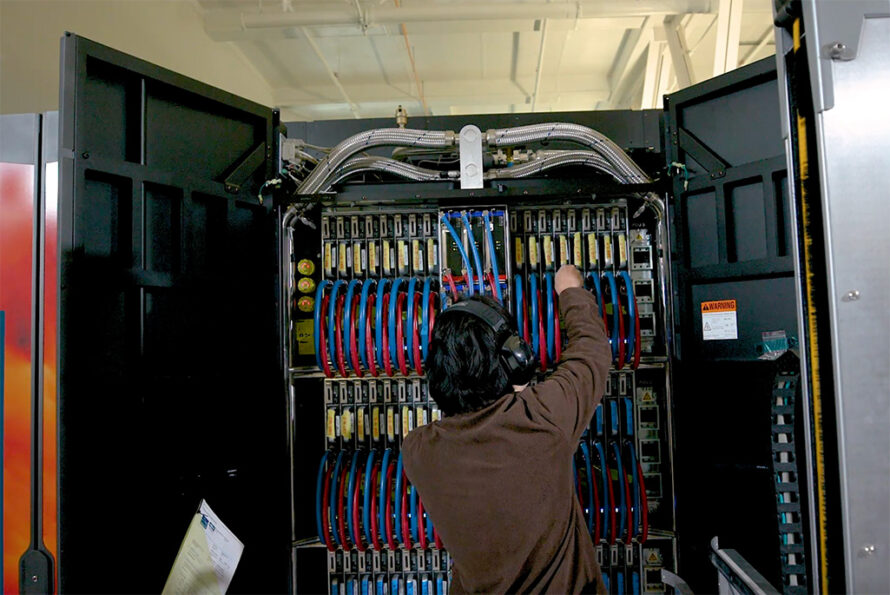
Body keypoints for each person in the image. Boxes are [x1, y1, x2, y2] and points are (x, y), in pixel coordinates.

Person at [402, 264, 612, 594]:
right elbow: (591, 351)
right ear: (516, 360)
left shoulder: (418, 451)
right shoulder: (543, 419)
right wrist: (570, 288)